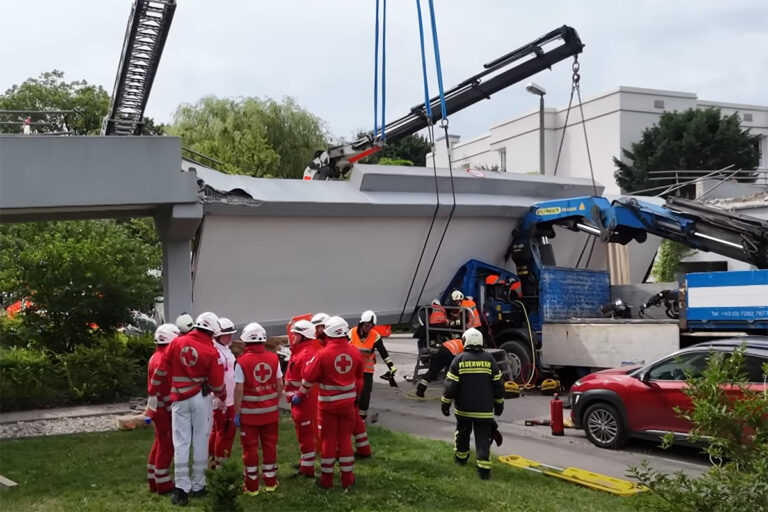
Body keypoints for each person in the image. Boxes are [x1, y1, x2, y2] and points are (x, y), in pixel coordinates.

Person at [149, 311, 225, 507]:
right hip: (200, 398)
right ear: (213, 331)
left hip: (178, 400)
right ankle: (199, 485)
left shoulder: (176, 342)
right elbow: (217, 384)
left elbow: (161, 369)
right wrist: (222, 396)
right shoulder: (211, 351)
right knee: (201, 440)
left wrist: (153, 391)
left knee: (181, 442)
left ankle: (182, 489)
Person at [301, 316, 363, 490]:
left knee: (328, 441)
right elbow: (359, 379)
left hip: (327, 406)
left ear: (328, 333)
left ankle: (326, 480)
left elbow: (308, 374)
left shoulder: (322, 354)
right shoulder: (355, 353)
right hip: (348, 406)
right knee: (345, 440)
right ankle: (347, 479)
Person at [440, 327, 504, 480]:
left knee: (462, 435)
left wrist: (445, 404)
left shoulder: (459, 359)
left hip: (464, 410)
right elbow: (499, 385)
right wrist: (499, 403)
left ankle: (461, 459)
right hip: (484, 411)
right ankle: (483, 469)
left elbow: (450, 387)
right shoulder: (490, 360)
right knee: (483, 438)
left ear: (465, 341)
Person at [233, 322, 283, 496]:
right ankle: (270, 482)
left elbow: (239, 390)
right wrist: (272, 402)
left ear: (246, 341)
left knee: (250, 449)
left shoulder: (241, 362)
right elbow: (280, 385)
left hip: (249, 415)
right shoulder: (274, 358)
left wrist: (237, 413)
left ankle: (252, 486)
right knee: (269, 446)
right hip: (270, 413)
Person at [146, 323, 180, 494]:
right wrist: (172, 408)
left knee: (159, 441)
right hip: (162, 409)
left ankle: (153, 478)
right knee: (167, 444)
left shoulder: (155, 356)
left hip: (155, 407)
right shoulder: (164, 359)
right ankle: (163, 483)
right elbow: (166, 389)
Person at [284, 319, 319, 477]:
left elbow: (308, 378)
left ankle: (307, 469)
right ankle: (304, 463)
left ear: (304, 336)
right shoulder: (299, 350)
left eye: (296, 334)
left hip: (303, 401)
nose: (293, 337)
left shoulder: (307, 353)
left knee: (305, 434)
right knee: (301, 432)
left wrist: (299, 394)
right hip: (297, 401)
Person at [208, 318, 237, 469]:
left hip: (228, 397)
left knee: (217, 431)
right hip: (222, 399)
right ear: (218, 335)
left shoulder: (224, 349)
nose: (230, 337)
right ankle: (220, 464)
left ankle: (213, 460)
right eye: (227, 335)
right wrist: (220, 398)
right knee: (224, 431)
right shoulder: (216, 352)